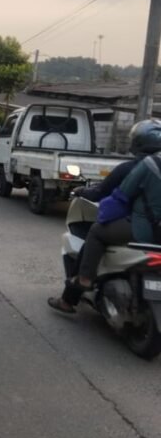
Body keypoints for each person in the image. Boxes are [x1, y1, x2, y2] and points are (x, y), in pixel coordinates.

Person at [48, 119, 161, 314]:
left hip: (140, 228)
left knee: (96, 232)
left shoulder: (136, 167)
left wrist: (83, 192)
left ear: (138, 142)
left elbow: (113, 194)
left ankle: (79, 286)